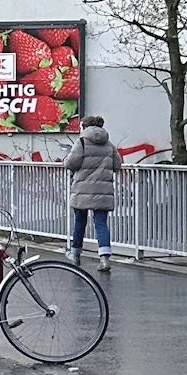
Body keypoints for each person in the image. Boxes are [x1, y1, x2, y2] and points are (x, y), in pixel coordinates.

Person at [66, 114, 119, 271]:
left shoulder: (81, 142)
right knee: (101, 223)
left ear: (84, 127)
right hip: (103, 190)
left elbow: (71, 162)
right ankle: (104, 259)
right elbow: (117, 165)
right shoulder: (109, 145)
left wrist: (65, 161)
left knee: (80, 222)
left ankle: (75, 255)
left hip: (82, 189)